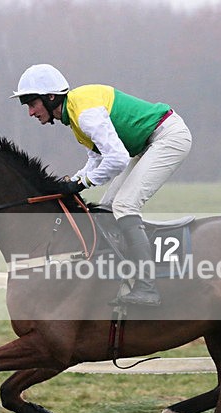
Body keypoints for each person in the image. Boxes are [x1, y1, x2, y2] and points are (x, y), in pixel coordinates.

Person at [10, 64, 192, 306]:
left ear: (50, 97)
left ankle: (147, 287)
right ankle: (119, 277)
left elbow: (116, 159)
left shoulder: (84, 114)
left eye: (32, 104)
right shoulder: (74, 114)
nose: (31, 112)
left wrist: (81, 183)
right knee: (107, 208)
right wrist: (74, 181)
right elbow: (97, 159)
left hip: (168, 138)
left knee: (125, 206)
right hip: (144, 145)